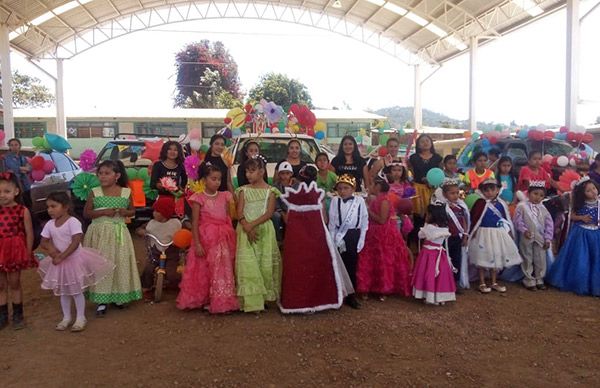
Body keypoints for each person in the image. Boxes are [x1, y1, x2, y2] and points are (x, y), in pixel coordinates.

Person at [38, 191, 113, 332]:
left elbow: (76, 241)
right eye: (48, 207)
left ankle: (80, 317)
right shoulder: (49, 224)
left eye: (53, 206)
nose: (50, 210)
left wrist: (62, 256)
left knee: (76, 291)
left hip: (74, 261)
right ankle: (66, 317)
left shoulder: (73, 222)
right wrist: (52, 251)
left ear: (65, 207)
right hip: (60, 263)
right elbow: (44, 241)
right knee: (63, 291)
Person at [279, 179, 353, 313]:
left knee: (298, 268)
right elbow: (324, 220)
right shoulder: (318, 203)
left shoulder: (294, 210)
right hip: (317, 239)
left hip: (298, 244)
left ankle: (298, 302)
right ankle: (320, 299)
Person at [177, 164, 239, 313]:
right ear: (204, 180)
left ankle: (221, 299)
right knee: (204, 269)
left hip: (223, 237)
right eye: (213, 179)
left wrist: (229, 180)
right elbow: (195, 222)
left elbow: (233, 206)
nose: (217, 182)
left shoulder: (225, 195)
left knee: (221, 269)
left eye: (219, 179)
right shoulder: (198, 198)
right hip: (205, 238)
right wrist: (197, 243)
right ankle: (204, 298)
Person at [83, 160, 142, 316]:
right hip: (99, 235)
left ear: (117, 176)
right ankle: (102, 299)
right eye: (100, 173)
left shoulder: (126, 192)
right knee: (102, 264)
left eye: (107, 173)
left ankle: (119, 295)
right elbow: (86, 213)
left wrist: (125, 212)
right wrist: (102, 212)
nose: (102, 177)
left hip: (119, 234)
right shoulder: (94, 192)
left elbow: (133, 211)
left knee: (119, 262)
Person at [235, 157, 281, 312]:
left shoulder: (271, 191)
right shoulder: (243, 190)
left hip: (264, 231)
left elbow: (269, 212)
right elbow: (239, 211)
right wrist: (246, 225)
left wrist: (252, 225)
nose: (249, 174)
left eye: (252, 171)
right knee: (248, 265)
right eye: (247, 171)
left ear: (262, 172)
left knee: (263, 264)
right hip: (245, 230)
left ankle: (263, 299)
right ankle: (250, 301)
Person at [357, 178, 412, 300]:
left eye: (372, 184)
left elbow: (382, 220)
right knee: (372, 260)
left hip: (383, 234)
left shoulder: (384, 201)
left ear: (378, 187)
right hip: (374, 232)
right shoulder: (375, 199)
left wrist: (368, 211)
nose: (370, 186)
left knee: (383, 260)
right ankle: (371, 288)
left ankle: (383, 289)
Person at [547, 177, 600, 296]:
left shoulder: (599, 203)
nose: (593, 191)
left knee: (596, 258)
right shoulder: (580, 204)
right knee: (580, 258)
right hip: (581, 233)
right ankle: (578, 282)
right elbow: (572, 216)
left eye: (594, 188)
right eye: (588, 190)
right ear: (583, 194)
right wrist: (581, 218)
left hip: (596, 233)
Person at [469, 178, 521, 294]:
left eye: (492, 189)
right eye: (486, 190)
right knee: (482, 258)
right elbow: (475, 219)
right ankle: (482, 282)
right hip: (483, 233)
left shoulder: (501, 204)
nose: (489, 192)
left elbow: (505, 219)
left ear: (498, 190)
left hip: (497, 234)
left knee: (496, 257)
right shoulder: (480, 203)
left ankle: (494, 282)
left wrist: (509, 232)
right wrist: (473, 232)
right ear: (482, 191)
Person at [0, 171, 36, 330]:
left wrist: (28, 253)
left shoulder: (23, 210)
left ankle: (18, 314)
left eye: (6, 191)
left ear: (16, 192)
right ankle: (2, 316)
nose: (2, 195)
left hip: (15, 251)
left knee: (14, 283)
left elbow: (29, 233)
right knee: (0, 285)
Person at [328, 174, 368, 309]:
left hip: (353, 235)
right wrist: (333, 239)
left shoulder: (360, 201)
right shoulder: (335, 201)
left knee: (352, 265)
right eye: (340, 188)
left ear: (352, 189)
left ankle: (351, 295)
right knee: (339, 265)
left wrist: (362, 238)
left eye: (346, 188)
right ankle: (339, 294)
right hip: (340, 235)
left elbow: (364, 221)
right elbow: (332, 222)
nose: (342, 191)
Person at [139, 196, 182, 301]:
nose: (154, 213)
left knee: (172, 273)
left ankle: (178, 286)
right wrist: (141, 231)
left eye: (157, 211)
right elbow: (139, 229)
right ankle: (147, 289)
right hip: (155, 252)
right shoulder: (151, 223)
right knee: (148, 270)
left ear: (165, 213)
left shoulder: (175, 223)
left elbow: (183, 233)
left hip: (171, 253)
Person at [412, 203, 456, 305]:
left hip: (428, 255)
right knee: (441, 275)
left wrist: (425, 225)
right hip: (440, 254)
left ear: (432, 216)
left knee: (428, 274)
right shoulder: (445, 228)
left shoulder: (429, 228)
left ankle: (429, 296)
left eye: (428, 214)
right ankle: (440, 297)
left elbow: (420, 235)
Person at [513, 181, 553, 291]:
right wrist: (524, 230)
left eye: (541, 195)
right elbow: (518, 221)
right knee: (527, 257)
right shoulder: (521, 207)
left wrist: (548, 238)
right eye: (535, 194)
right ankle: (528, 279)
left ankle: (539, 278)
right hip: (527, 236)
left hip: (540, 237)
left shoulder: (543, 209)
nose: (538, 197)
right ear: (529, 193)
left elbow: (549, 225)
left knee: (540, 258)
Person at [432, 178, 470, 291]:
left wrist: (465, 235)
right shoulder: (440, 207)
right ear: (444, 194)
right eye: (452, 193)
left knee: (456, 259)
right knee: (444, 260)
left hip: (457, 238)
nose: (455, 195)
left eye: (457, 193)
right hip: (445, 239)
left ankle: (456, 281)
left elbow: (464, 221)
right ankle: (444, 281)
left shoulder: (461, 206)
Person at [408, 134, 443, 226]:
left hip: (433, 190)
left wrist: (433, 182)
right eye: (422, 141)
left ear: (431, 143)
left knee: (433, 215)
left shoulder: (438, 158)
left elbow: (441, 174)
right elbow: (409, 171)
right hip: (417, 190)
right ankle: (417, 238)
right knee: (418, 217)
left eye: (427, 140)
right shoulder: (413, 158)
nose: (425, 143)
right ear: (418, 145)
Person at [3, 139, 32, 208]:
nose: (14, 147)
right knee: (19, 204)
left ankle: (30, 217)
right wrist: (22, 168)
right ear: (9, 146)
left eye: (16, 145)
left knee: (28, 204)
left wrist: (22, 169)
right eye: (11, 145)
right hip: (14, 184)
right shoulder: (7, 157)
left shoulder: (22, 157)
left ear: (19, 146)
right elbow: (14, 167)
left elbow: (29, 168)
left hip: (25, 184)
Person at [272, 161, 294, 242]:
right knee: (275, 216)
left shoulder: (295, 186)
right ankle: (278, 240)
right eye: (283, 173)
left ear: (291, 174)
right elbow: (275, 203)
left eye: (287, 173)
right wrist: (283, 214)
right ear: (279, 174)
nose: (285, 176)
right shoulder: (275, 186)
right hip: (280, 211)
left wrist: (288, 212)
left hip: (292, 210)